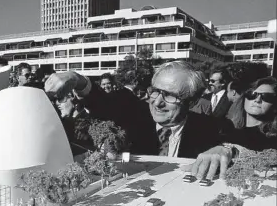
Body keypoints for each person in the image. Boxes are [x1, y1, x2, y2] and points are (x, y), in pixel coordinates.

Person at [45, 61, 238, 180]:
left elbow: (252, 144)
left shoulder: (211, 128)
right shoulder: (134, 113)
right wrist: (76, 79)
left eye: (170, 96)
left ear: (193, 100)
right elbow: (102, 102)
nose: (157, 102)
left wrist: (227, 149)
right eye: (155, 91)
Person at [225, 77, 277, 151]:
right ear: (244, 98)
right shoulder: (227, 129)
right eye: (252, 94)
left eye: (267, 96)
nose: (257, 100)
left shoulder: (273, 139)